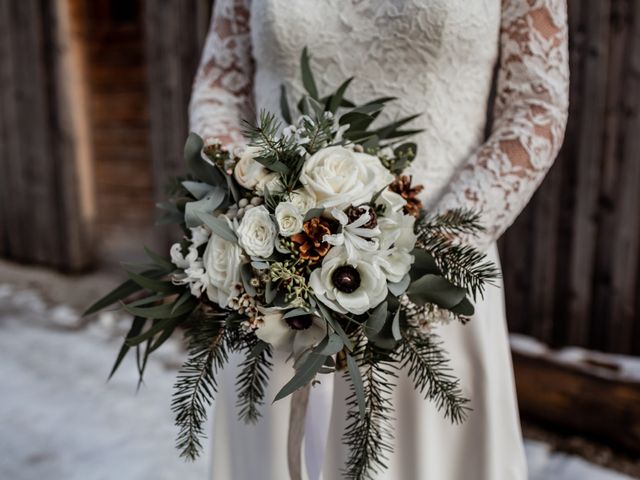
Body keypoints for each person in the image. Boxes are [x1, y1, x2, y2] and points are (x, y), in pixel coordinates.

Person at [189, 1, 569, 478]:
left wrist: (436, 250)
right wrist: (248, 208)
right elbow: (219, 87)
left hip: (434, 283)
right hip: (272, 290)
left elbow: (534, 108)